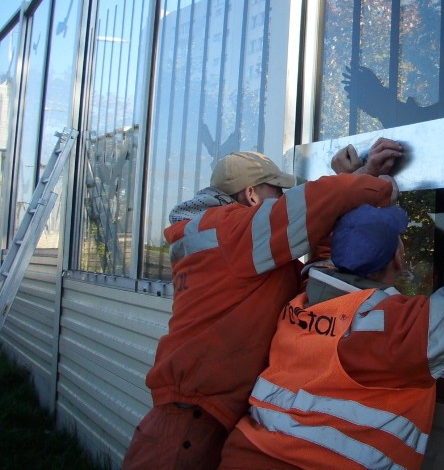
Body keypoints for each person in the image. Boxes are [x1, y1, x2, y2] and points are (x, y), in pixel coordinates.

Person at [218, 121, 444, 470]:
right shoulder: (392, 332)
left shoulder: (300, 302)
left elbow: (326, 251)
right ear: (398, 256)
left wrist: (359, 176)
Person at [121, 141, 403, 470]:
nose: (283, 201)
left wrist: (353, 182)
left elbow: (318, 269)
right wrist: (373, 185)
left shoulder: (245, 253)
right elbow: (312, 205)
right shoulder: (228, 230)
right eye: (277, 193)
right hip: (185, 433)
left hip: (207, 420)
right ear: (252, 195)